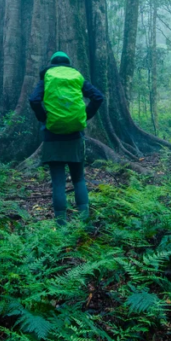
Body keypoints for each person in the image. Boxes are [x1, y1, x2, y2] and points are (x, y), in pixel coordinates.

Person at [28, 51, 104, 225]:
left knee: (58, 183)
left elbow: (34, 100)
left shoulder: (47, 77)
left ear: (52, 63)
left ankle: (61, 226)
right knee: (78, 179)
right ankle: (84, 222)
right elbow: (98, 97)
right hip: (75, 136)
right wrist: (86, 115)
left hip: (52, 136)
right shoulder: (76, 76)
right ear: (68, 64)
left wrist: (43, 118)